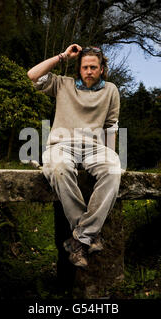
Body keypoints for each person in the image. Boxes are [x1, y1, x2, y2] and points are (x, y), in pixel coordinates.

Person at [27, 44, 121, 268]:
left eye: (93, 67)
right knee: (59, 168)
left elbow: (111, 127)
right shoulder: (62, 84)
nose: (89, 71)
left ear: (101, 69)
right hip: (62, 143)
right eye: (85, 67)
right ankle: (89, 235)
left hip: (93, 147)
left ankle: (78, 239)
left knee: (113, 169)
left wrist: (113, 156)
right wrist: (62, 56)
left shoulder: (111, 90)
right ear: (79, 69)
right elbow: (32, 76)